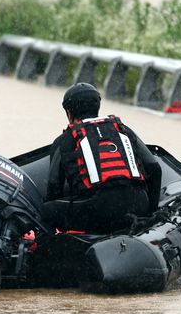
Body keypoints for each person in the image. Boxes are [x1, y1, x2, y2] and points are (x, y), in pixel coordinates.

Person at [43, 82, 161, 233]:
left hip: (100, 214)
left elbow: (54, 187)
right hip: (138, 205)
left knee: (46, 210)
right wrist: (151, 212)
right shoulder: (123, 129)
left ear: (69, 113)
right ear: (97, 106)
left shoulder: (64, 140)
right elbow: (155, 169)